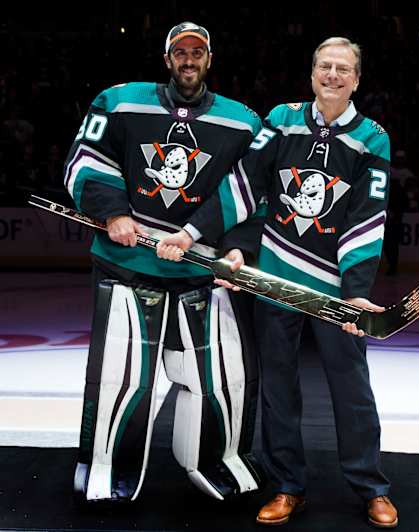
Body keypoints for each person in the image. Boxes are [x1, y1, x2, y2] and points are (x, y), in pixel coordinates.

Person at [157, 37, 398, 528]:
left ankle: (370, 485)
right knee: (278, 390)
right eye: (325, 66)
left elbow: (366, 218)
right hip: (275, 279)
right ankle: (287, 485)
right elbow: (245, 184)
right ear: (312, 73)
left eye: (343, 69)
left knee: (351, 390)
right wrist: (191, 232)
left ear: (357, 79)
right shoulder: (282, 119)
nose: (333, 75)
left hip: (332, 290)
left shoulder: (373, 138)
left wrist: (355, 289)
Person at [64, 21, 266, 504]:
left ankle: (219, 459)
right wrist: (112, 211)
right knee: (122, 375)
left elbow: (253, 191)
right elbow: (85, 159)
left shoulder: (244, 122)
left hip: (203, 271)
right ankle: (107, 468)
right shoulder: (119, 100)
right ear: (167, 58)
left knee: (222, 378)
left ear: (210, 59)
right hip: (128, 264)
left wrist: (239, 246)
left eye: (197, 52)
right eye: (180, 52)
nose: (189, 59)